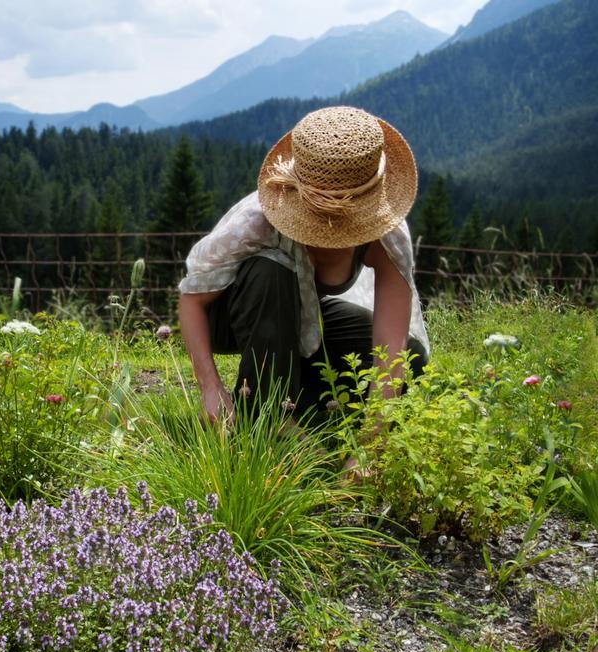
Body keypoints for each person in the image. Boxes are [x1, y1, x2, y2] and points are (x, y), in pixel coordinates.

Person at [178, 105, 429, 427]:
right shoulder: (258, 221)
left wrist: (372, 439)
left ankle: (306, 402)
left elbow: (389, 348)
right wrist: (210, 388)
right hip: (233, 315)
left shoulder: (387, 232)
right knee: (272, 271)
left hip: (301, 318)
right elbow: (192, 300)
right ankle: (268, 420)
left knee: (411, 359)